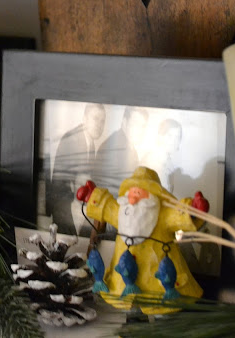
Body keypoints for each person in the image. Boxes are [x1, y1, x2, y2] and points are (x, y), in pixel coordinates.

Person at [77, 167, 208, 313]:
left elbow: (179, 215)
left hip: (159, 283)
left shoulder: (163, 214)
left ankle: (160, 321)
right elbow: (106, 206)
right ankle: (133, 320)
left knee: (162, 309)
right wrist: (92, 196)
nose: (134, 198)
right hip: (124, 280)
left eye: (139, 192)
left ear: (151, 196)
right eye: (132, 191)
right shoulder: (122, 211)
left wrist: (193, 210)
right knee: (130, 310)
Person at [48, 103, 105, 235]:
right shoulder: (73, 140)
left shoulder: (90, 143)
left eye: (102, 121)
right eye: (95, 118)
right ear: (85, 119)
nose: (99, 124)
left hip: (76, 210)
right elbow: (59, 185)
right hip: (65, 212)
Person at [93, 106, 148, 197]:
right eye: (136, 124)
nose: (140, 130)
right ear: (124, 122)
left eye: (143, 126)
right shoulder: (115, 147)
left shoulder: (128, 147)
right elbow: (111, 189)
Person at [141, 118, 182, 192]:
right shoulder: (151, 161)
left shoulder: (168, 162)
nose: (174, 141)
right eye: (170, 136)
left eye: (177, 137)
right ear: (160, 136)